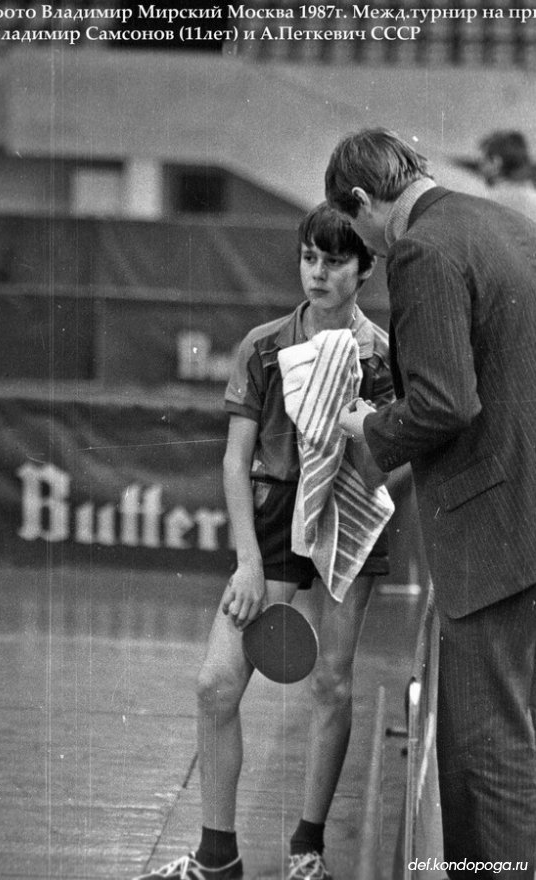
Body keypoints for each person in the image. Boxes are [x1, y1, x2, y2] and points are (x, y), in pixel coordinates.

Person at [135, 202, 394, 880]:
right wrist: (248, 561)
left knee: (333, 687)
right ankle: (217, 857)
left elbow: (393, 466)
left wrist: (362, 431)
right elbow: (233, 460)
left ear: (365, 269)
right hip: (275, 519)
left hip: (350, 519)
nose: (318, 272)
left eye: (336, 261)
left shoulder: (382, 358)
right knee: (216, 685)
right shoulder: (264, 346)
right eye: (310, 257)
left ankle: (307, 849)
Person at [325, 127, 536, 879]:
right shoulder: (502, 222)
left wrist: (368, 426)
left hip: (495, 530)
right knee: (505, 742)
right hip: (524, 511)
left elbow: (446, 403)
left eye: (359, 235)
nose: (370, 253)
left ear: (361, 200)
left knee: (490, 756)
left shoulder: (422, 249)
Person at [478, 129, 536, 222]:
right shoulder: (531, 195)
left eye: (484, 160)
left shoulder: (491, 201)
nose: (481, 166)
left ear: (496, 162)